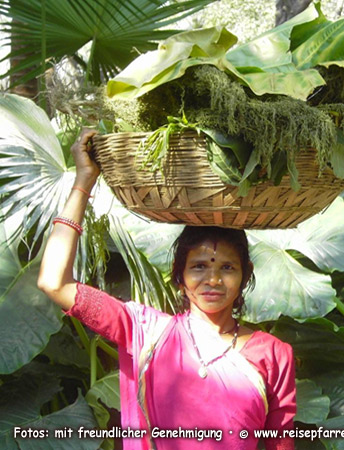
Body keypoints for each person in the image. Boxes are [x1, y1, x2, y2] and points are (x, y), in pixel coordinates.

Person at [38, 128, 297, 450]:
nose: (213, 280)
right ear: (179, 276)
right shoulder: (145, 332)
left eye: (227, 268)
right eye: (199, 267)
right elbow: (54, 282)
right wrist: (84, 181)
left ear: (246, 275)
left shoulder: (273, 354)